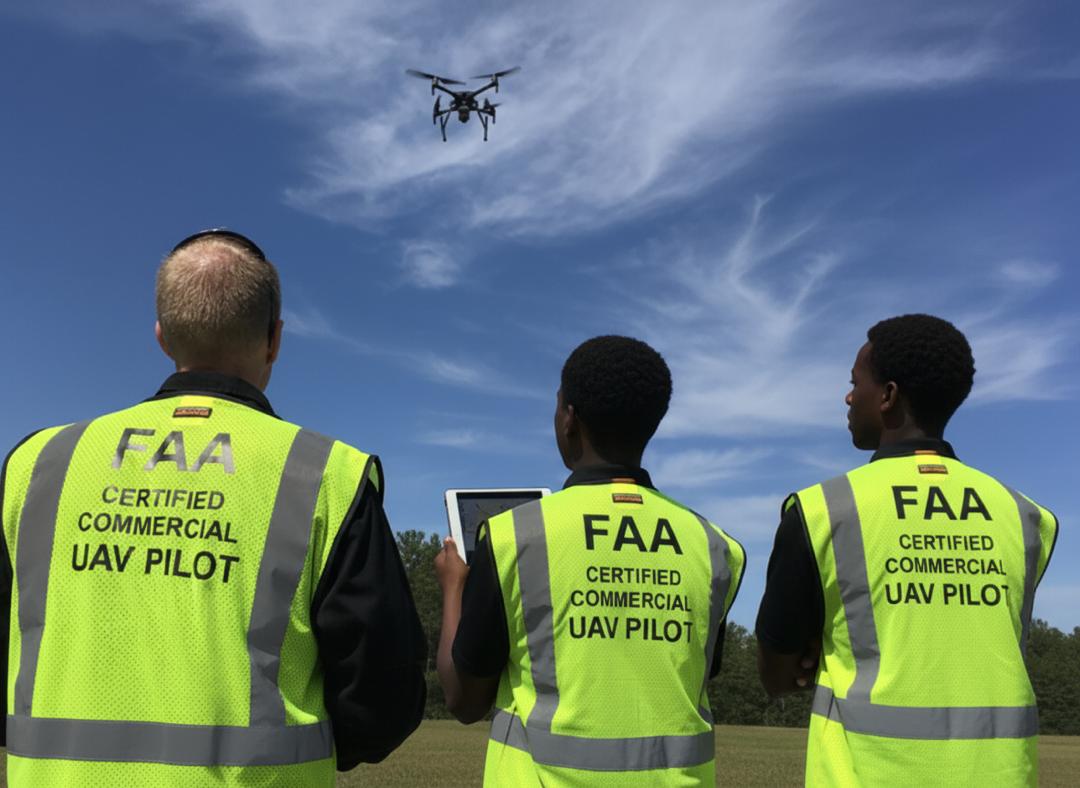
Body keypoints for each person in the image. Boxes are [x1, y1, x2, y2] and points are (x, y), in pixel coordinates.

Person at [0, 229, 427, 786]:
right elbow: (384, 696)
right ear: (275, 339)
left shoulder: (40, 463)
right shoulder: (324, 474)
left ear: (161, 335)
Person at [756, 314, 1058, 786]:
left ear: (888, 396)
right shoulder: (1026, 517)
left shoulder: (822, 509)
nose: (849, 396)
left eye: (855, 382)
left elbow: (777, 674)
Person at [435, 335, 746, 786]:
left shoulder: (512, 537)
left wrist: (453, 588)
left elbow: (464, 700)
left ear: (569, 419)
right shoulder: (716, 546)